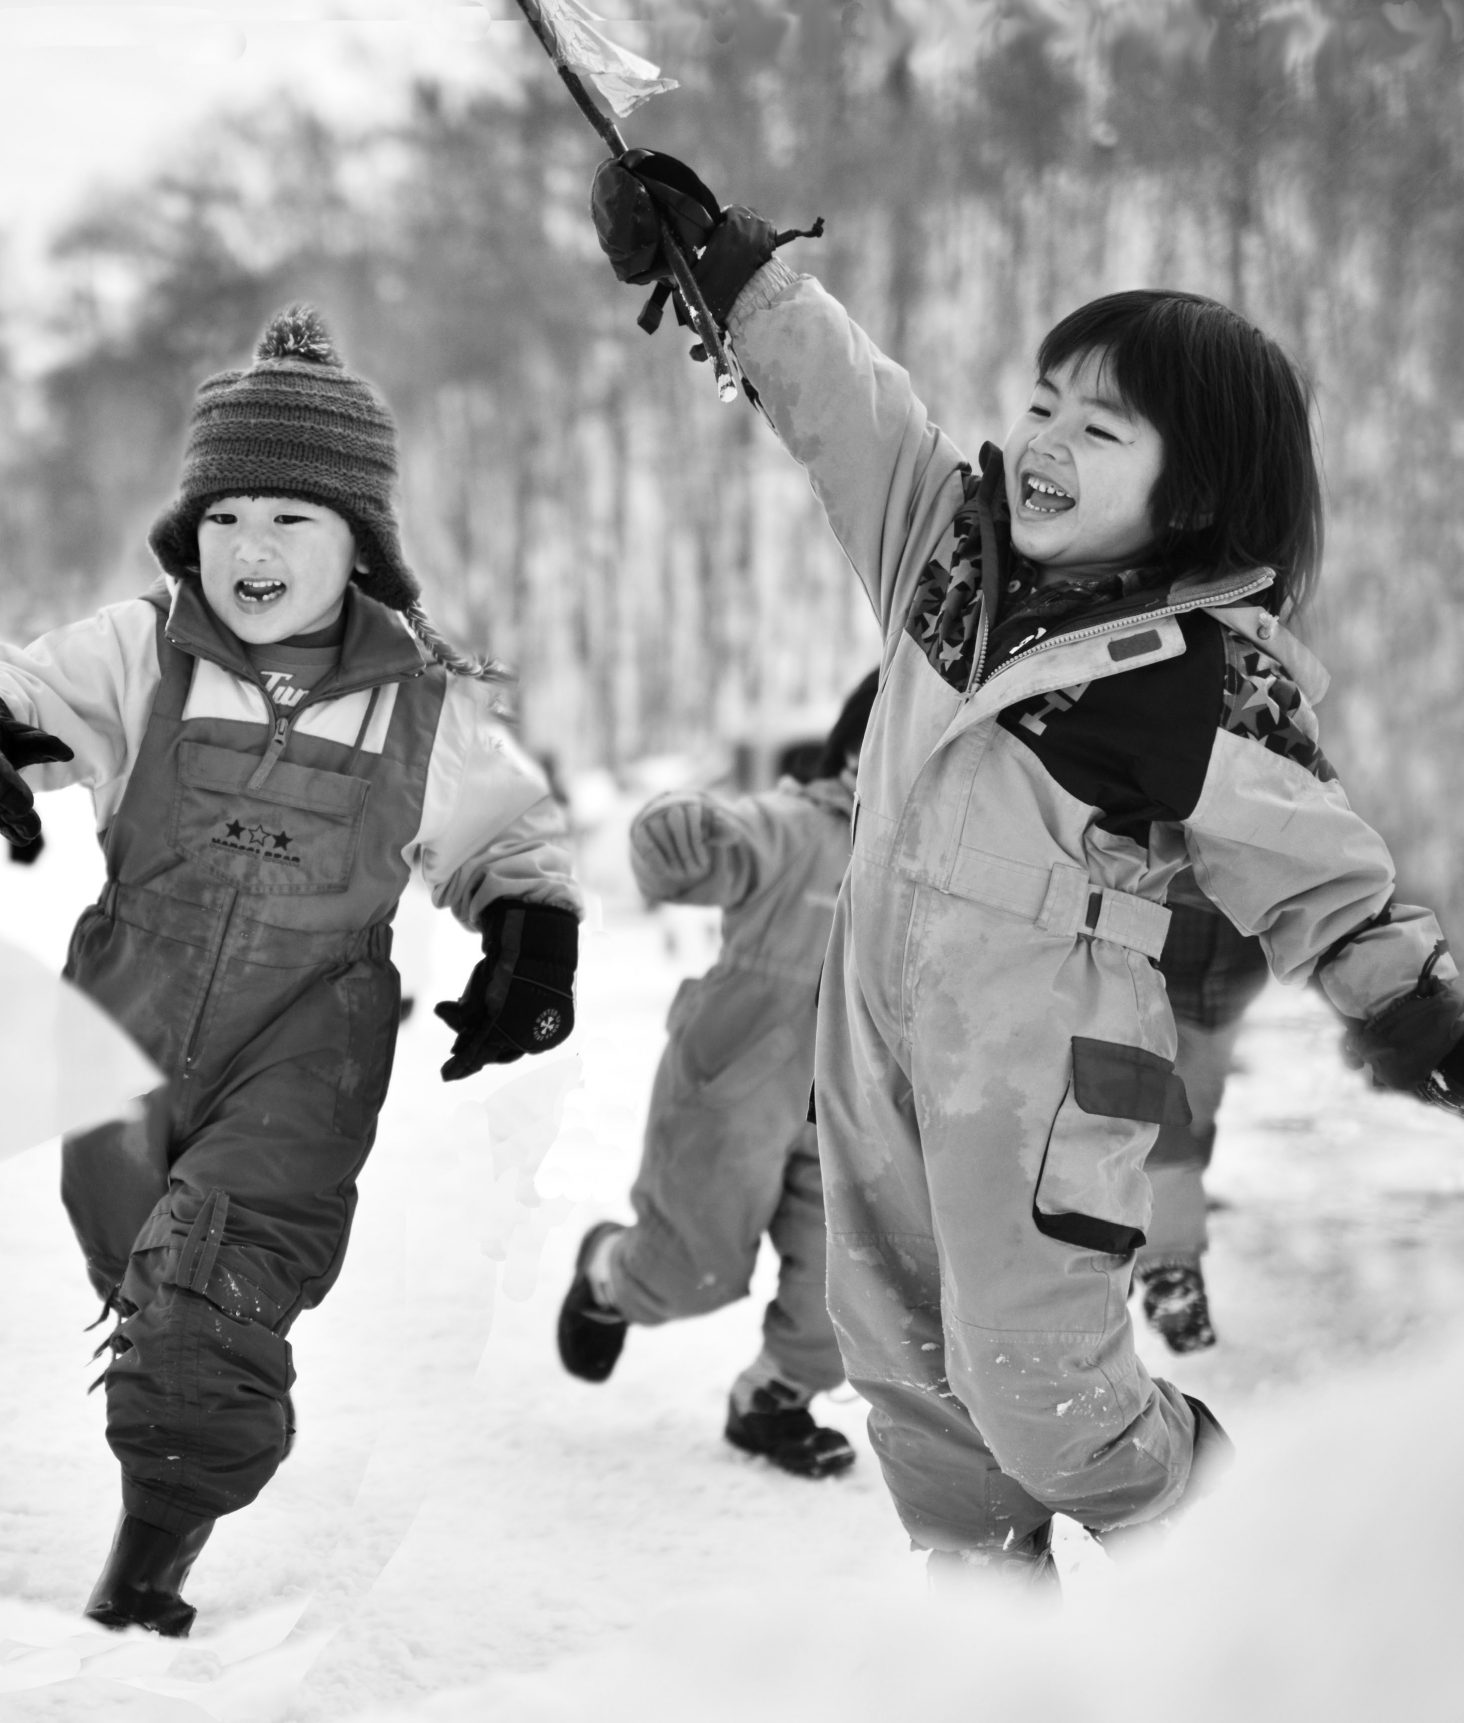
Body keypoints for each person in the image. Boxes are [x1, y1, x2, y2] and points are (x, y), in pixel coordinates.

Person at [589, 153, 1464, 1581]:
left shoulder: (1198, 681)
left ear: (1198, 493)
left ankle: (1234, 1555)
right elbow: (845, 402)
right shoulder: (944, 553)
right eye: (1044, 402)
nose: (1047, 437)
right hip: (875, 1031)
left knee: (1043, 1396)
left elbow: (1321, 867)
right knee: (916, 1390)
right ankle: (1000, 1648)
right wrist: (731, 274)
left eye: (1101, 427)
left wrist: (1408, 998)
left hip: (1051, 1067)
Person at [0, 305, 583, 1637]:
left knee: (205, 1293)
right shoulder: (141, 651)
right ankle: (178, 1377)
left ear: (358, 542)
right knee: (144, 1267)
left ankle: (142, 1577)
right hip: (121, 1033)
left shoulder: (422, 693)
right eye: (225, 517)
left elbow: (508, 831)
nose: (248, 549)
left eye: (290, 520)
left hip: (304, 1044)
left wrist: (529, 935)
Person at [557, 674, 877, 1480]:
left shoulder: (947, 866)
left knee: (848, 1286)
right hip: (739, 1079)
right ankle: (609, 1272)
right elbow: (730, 843)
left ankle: (773, 1398)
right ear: (854, 749)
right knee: (685, 1271)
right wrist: (686, 834)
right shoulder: (800, 827)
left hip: (856, 1103)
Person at [1136, 875, 1270, 1353]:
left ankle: (1138, 1235)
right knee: (1157, 1120)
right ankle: (1166, 1265)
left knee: (1193, 1120)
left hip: (1228, 981)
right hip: (1153, 964)